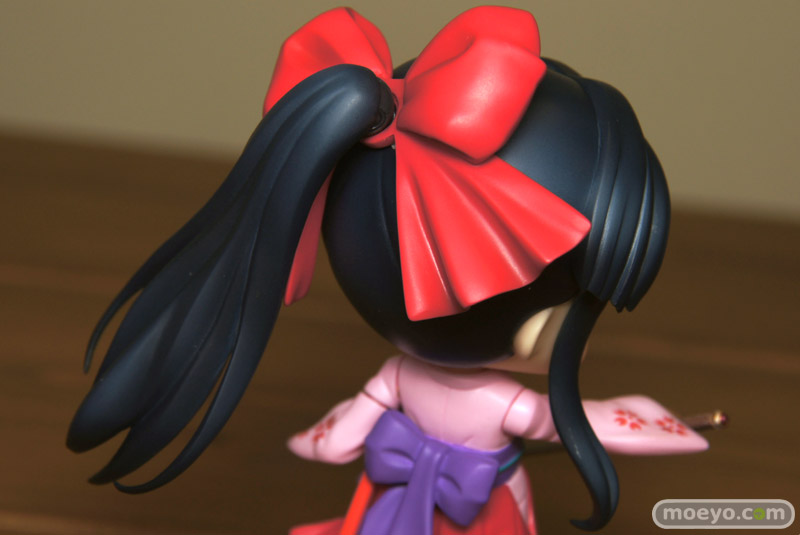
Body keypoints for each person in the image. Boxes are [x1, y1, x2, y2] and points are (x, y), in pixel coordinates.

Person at [68, 7, 707, 533]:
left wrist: (321, 441)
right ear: (534, 330)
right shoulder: (502, 400)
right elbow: (580, 425)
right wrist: (649, 423)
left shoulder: (398, 377)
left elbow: (339, 435)